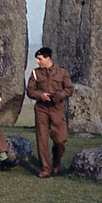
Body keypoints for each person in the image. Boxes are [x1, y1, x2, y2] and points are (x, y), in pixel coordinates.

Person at [25, 46, 74, 178]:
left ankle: (56, 163)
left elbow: (69, 89)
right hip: (41, 108)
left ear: (48, 58)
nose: (37, 62)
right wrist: (40, 95)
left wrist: (58, 96)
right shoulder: (35, 73)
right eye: (37, 59)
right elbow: (30, 90)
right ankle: (45, 169)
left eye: (40, 59)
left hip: (56, 107)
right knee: (42, 139)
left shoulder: (61, 72)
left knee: (60, 139)